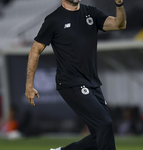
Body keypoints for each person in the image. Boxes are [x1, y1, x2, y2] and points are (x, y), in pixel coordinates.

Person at [25, 0, 126, 149]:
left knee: (100, 134)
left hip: (92, 83)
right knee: (105, 123)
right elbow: (35, 50)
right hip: (70, 82)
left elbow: (119, 24)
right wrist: (29, 85)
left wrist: (119, 4)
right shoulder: (54, 19)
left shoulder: (91, 13)